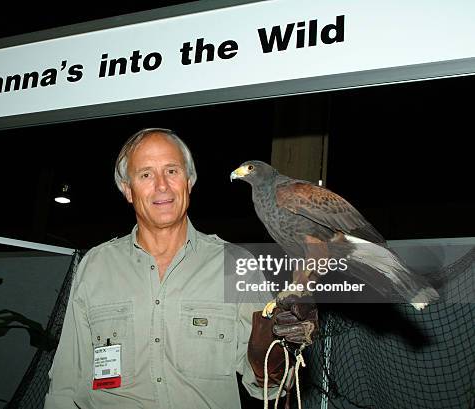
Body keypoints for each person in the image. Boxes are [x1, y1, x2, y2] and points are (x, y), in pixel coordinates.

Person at [44, 128, 316, 409]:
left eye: (172, 171)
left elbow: (268, 388)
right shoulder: (96, 266)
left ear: (189, 181)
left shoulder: (236, 266)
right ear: (128, 190)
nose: (161, 185)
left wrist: (281, 347)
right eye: (146, 174)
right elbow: (66, 383)